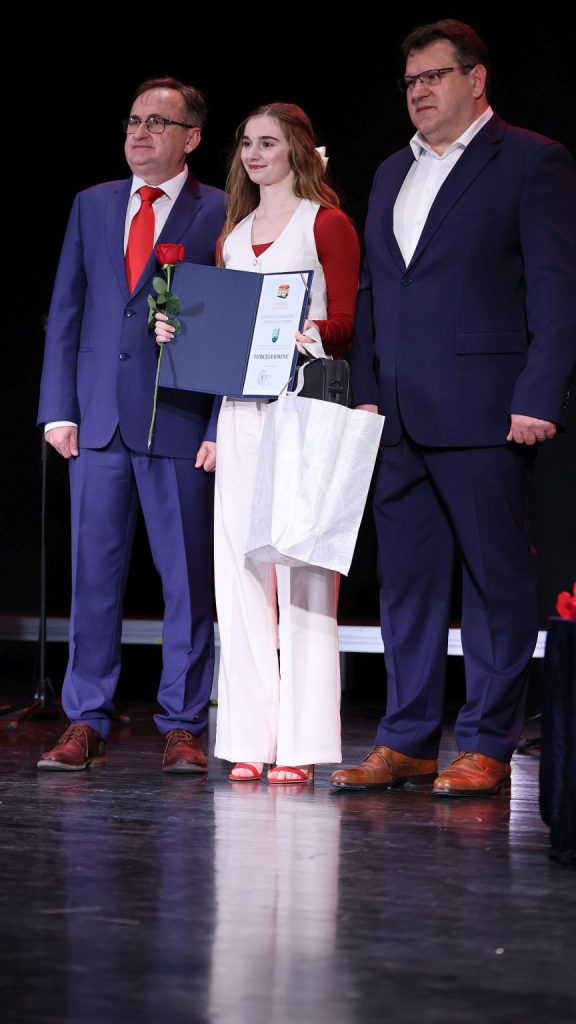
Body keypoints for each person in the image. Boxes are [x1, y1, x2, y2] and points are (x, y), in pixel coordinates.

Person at [331, 20, 576, 796]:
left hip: (485, 408)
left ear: (476, 79)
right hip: (398, 415)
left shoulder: (531, 160)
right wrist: (366, 391)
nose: (419, 91)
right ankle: (405, 739)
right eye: (410, 81)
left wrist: (539, 393)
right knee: (405, 584)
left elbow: (556, 289)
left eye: (434, 76)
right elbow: (376, 291)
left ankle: (486, 742)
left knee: (495, 581)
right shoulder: (390, 171)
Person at [156, 103, 360, 783]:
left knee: (303, 572)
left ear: (297, 148)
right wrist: (178, 334)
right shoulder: (234, 236)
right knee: (239, 571)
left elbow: (347, 319)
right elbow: (220, 335)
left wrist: (305, 330)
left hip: (304, 405)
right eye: (246, 142)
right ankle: (248, 737)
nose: (253, 153)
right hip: (242, 413)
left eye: (267, 142)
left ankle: (301, 745)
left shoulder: (325, 224)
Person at [36, 77, 226, 773]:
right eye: (133, 121)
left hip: (176, 417)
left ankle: (182, 723)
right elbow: (68, 308)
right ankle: (85, 718)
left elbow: (227, 321)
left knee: (186, 581)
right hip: (97, 420)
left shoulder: (218, 210)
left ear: (191, 137)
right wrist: (59, 407)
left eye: (157, 123)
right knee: (93, 576)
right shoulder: (93, 204)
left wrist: (217, 423)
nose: (140, 133)